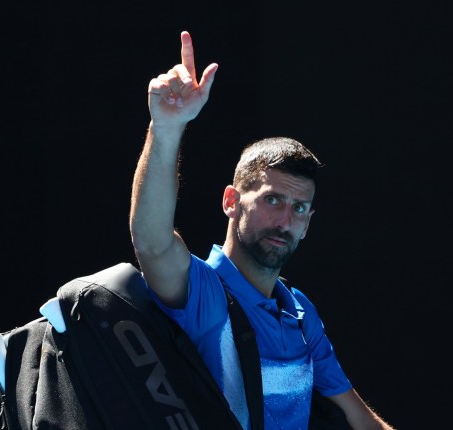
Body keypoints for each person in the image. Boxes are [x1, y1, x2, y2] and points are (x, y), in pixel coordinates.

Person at [129, 30, 394, 430]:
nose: (285, 221)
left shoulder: (302, 314)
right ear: (231, 201)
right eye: (272, 200)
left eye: (299, 208)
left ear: (308, 224)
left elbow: (361, 421)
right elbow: (151, 242)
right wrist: (165, 129)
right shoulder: (202, 292)